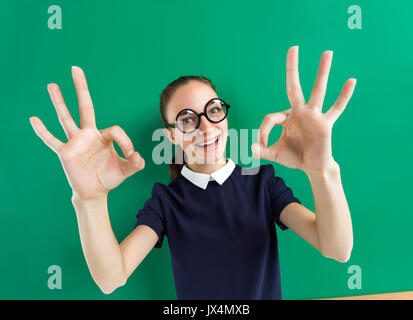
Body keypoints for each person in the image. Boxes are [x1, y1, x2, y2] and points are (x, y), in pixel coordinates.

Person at [29, 46, 356, 299]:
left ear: (224, 117)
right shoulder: (166, 202)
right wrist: (90, 200)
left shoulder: (263, 183)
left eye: (213, 110)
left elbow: (337, 249)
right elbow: (111, 278)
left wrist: (321, 170)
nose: (205, 126)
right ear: (172, 136)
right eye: (187, 119)